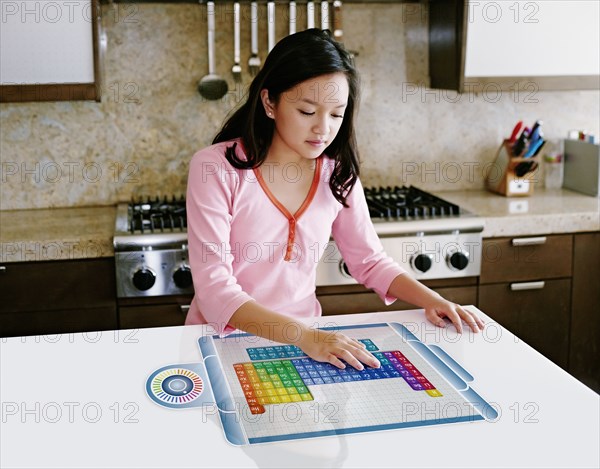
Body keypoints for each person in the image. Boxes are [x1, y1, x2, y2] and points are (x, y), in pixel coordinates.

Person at [185, 28, 484, 371]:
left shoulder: (337, 173)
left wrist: (432, 300)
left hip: (305, 347)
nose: (322, 129)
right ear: (270, 103)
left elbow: (369, 260)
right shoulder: (215, 167)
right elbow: (214, 291)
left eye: (336, 114)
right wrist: (308, 338)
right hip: (223, 344)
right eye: (307, 111)